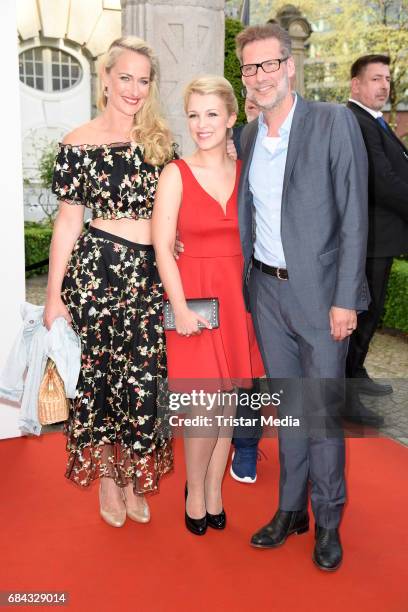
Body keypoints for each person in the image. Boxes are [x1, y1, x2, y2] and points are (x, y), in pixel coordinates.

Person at [236, 24, 369, 570]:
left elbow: (355, 217)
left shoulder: (333, 121)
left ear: (291, 67)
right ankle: (290, 511)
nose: (261, 76)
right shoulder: (246, 136)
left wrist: (346, 300)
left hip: (320, 300)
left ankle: (328, 521)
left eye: (270, 65)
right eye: (251, 68)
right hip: (265, 292)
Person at [45, 37, 174, 528]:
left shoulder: (160, 141)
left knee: (143, 382)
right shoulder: (79, 142)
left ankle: (131, 477)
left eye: (144, 80)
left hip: (147, 276)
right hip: (98, 272)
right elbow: (67, 222)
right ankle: (106, 477)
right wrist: (54, 293)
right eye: (126, 77)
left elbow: (174, 210)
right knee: (101, 380)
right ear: (105, 79)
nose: (135, 89)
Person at [152, 76, 264, 536]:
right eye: (194, 114)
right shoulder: (175, 174)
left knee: (230, 403)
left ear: (232, 118)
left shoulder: (247, 174)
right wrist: (178, 308)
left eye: (212, 114)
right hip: (191, 301)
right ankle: (194, 490)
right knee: (205, 406)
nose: (201, 124)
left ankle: (215, 490)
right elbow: (162, 246)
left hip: (237, 303)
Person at [346, 54, 408, 425]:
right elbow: (383, 182)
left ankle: (358, 374)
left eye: (386, 79)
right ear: (356, 85)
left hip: (383, 239)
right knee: (361, 317)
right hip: (370, 240)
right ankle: (346, 396)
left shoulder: (374, 121)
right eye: (375, 79)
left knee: (371, 315)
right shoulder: (356, 121)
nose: (383, 86)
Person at [230, 97, 263, 485]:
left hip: (269, 277)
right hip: (228, 276)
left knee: (253, 371)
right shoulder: (230, 151)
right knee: (239, 369)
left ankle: (249, 445)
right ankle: (242, 444)